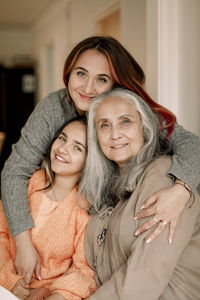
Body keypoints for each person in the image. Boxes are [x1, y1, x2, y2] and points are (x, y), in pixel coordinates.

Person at [1, 35, 200, 284]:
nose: (87, 88)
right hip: (62, 220)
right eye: (80, 74)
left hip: (110, 224)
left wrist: (181, 189)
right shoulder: (56, 107)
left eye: (101, 79)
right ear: (68, 73)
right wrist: (23, 243)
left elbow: (192, 144)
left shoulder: (128, 107)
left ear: (116, 84)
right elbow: (14, 170)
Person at [79, 88, 200, 299]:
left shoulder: (163, 175)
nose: (115, 134)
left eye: (125, 121)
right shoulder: (105, 194)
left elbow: (145, 275)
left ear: (144, 128)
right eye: (104, 125)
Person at [0, 118, 97, 300]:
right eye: (62, 138)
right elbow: (2, 232)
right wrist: (9, 281)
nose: (62, 149)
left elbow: (83, 269)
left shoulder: (85, 209)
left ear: (90, 161)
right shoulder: (29, 182)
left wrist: (55, 295)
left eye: (77, 147)